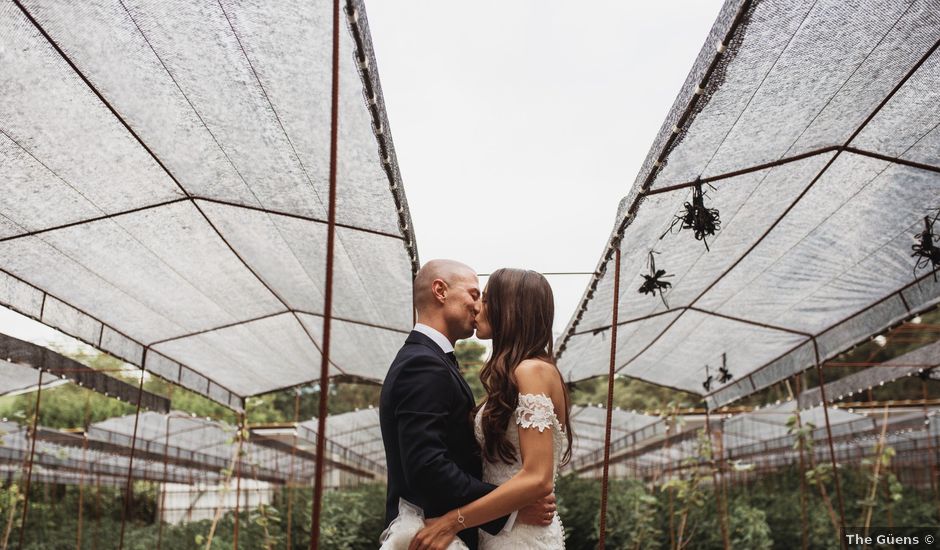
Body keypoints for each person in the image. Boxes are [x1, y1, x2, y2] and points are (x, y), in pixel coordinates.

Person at [380, 260, 557, 550]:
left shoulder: (431, 361)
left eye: (484, 298)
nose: (477, 307)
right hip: (434, 535)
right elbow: (428, 466)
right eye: (475, 295)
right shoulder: (423, 364)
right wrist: (509, 511)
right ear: (440, 291)